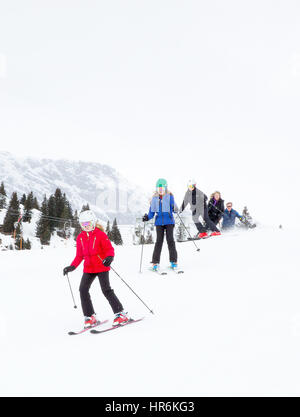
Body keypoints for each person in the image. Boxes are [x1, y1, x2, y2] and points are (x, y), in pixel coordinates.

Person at [63, 210, 129, 328]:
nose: (86, 226)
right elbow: (79, 255)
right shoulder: (80, 238)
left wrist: (109, 257)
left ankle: (120, 314)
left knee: (106, 290)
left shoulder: (100, 235)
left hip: (102, 266)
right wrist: (72, 267)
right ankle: (90, 316)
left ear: (93, 222)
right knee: (83, 290)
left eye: (88, 223)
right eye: (83, 224)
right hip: (88, 268)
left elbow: (109, 249)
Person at [142, 178, 178, 271]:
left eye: (162, 188)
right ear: (157, 188)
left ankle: (174, 262)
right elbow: (151, 213)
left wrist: (175, 208)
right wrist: (147, 217)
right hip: (159, 223)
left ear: (166, 188)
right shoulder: (154, 198)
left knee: (170, 240)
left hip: (169, 221)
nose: (161, 189)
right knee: (159, 242)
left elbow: (175, 208)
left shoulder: (169, 196)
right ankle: (155, 263)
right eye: (159, 188)